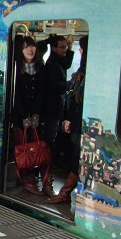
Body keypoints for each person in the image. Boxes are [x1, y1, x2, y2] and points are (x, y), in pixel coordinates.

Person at [48, 35, 87, 203]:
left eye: (81, 48)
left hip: (78, 118)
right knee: (74, 153)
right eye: (63, 47)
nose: (77, 50)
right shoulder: (53, 64)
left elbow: (77, 98)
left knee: (77, 154)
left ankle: (64, 194)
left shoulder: (83, 70)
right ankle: (63, 193)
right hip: (75, 117)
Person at [12, 36, 52, 195]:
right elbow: (16, 95)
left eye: (32, 46)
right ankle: (26, 179)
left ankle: (47, 181)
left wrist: (36, 114)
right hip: (20, 117)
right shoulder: (15, 68)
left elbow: (43, 93)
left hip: (38, 116)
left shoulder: (41, 68)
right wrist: (24, 115)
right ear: (20, 51)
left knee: (42, 148)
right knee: (23, 149)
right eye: (25, 47)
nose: (30, 50)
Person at [44, 34, 74, 164]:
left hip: (58, 106)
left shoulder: (58, 60)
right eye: (62, 47)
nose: (65, 50)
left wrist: (70, 47)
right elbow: (54, 85)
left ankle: (52, 161)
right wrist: (70, 83)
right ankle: (47, 163)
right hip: (52, 106)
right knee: (50, 137)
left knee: (55, 135)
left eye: (65, 47)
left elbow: (67, 64)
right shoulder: (52, 64)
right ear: (54, 48)